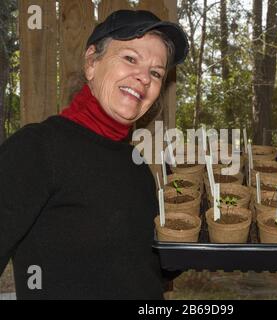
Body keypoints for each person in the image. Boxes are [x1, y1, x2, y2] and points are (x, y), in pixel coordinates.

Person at [0, 9, 189, 300]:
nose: (144, 78)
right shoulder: (37, 148)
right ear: (91, 62)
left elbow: (143, 268)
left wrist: (202, 226)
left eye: (156, 73)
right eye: (130, 58)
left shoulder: (136, 167)